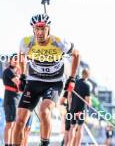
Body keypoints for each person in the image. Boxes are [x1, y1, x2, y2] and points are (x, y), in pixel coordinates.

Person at [12, 13, 80, 146]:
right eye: (37, 29)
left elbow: (76, 54)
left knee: (44, 110)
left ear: (48, 28)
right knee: (20, 119)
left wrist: (72, 79)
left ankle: (44, 144)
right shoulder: (26, 42)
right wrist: (23, 76)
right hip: (33, 82)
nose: (39, 32)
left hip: (54, 83)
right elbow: (20, 55)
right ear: (33, 29)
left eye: (43, 28)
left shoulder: (59, 42)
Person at [3, 53, 32, 146]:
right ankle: (7, 144)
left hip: (17, 98)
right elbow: (19, 83)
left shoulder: (17, 72)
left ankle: (12, 143)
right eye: (14, 59)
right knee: (10, 123)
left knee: (15, 124)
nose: (16, 61)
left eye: (17, 59)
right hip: (10, 98)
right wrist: (21, 74)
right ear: (10, 60)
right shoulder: (8, 71)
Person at [67, 68, 91, 146]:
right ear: (88, 75)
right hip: (81, 109)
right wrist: (89, 106)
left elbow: (69, 95)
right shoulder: (87, 85)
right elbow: (88, 101)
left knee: (72, 126)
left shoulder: (75, 83)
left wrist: (70, 106)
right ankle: (78, 144)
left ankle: (70, 144)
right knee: (80, 127)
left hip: (73, 107)